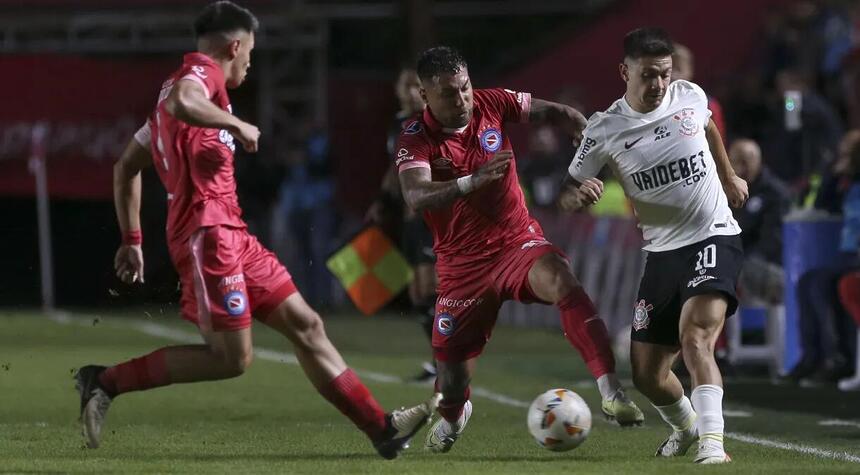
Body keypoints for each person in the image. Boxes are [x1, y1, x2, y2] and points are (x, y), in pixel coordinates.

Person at [73, 1, 434, 459]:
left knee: (307, 325)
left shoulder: (170, 103)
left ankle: (381, 429)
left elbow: (126, 167)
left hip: (234, 234)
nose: (250, 63)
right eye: (251, 54)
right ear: (236, 46)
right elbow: (185, 101)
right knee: (232, 359)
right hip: (208, 235)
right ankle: (103, 380)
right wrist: (237, 122)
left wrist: (132, 239)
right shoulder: (199, 77)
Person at [395, 46, 644, 454]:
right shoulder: (414, 137)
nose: (461, 99)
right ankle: (455, 415)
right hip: (462, 266)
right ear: (425, 96)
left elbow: (557, 113)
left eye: (465, 87)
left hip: (516, 241)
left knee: (561, 280)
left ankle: (611, 389)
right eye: (448, 93)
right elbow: (416, 195)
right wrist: (470, 182)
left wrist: (584, 139)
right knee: (453, 378)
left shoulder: (491, 103)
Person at [560, 28, 749, 464]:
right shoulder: (604, 129)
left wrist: (728, 175)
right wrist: (577, 197)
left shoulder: (689, 95)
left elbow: (708, 127)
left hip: (714, 233)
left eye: (664, 74)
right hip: (662, 252)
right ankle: (685, 427)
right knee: (646, 374)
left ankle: (713, 445)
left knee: (696, 337)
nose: (659, 84)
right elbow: (568, 190)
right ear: (625, 72)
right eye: (648, 75)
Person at [366, 67, 438, 382]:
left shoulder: (433, 122)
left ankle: (451, 360)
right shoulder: (398, 124)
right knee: (416, 292)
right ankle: (440, 360)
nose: (410, 93)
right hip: (410, 216)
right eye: (405, 86)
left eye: (415, 87)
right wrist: (382, 201)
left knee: (431, 286)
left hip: (432, 214)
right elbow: (395, 168)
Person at [728, 138, 792, 304]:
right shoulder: (730, 190)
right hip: (738, 259)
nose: (739, 167)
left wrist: (738, 258)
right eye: (734, 161)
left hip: (770, 266)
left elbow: (772, 241)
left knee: (727, 274)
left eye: (744, 161)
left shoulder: (775, 193)